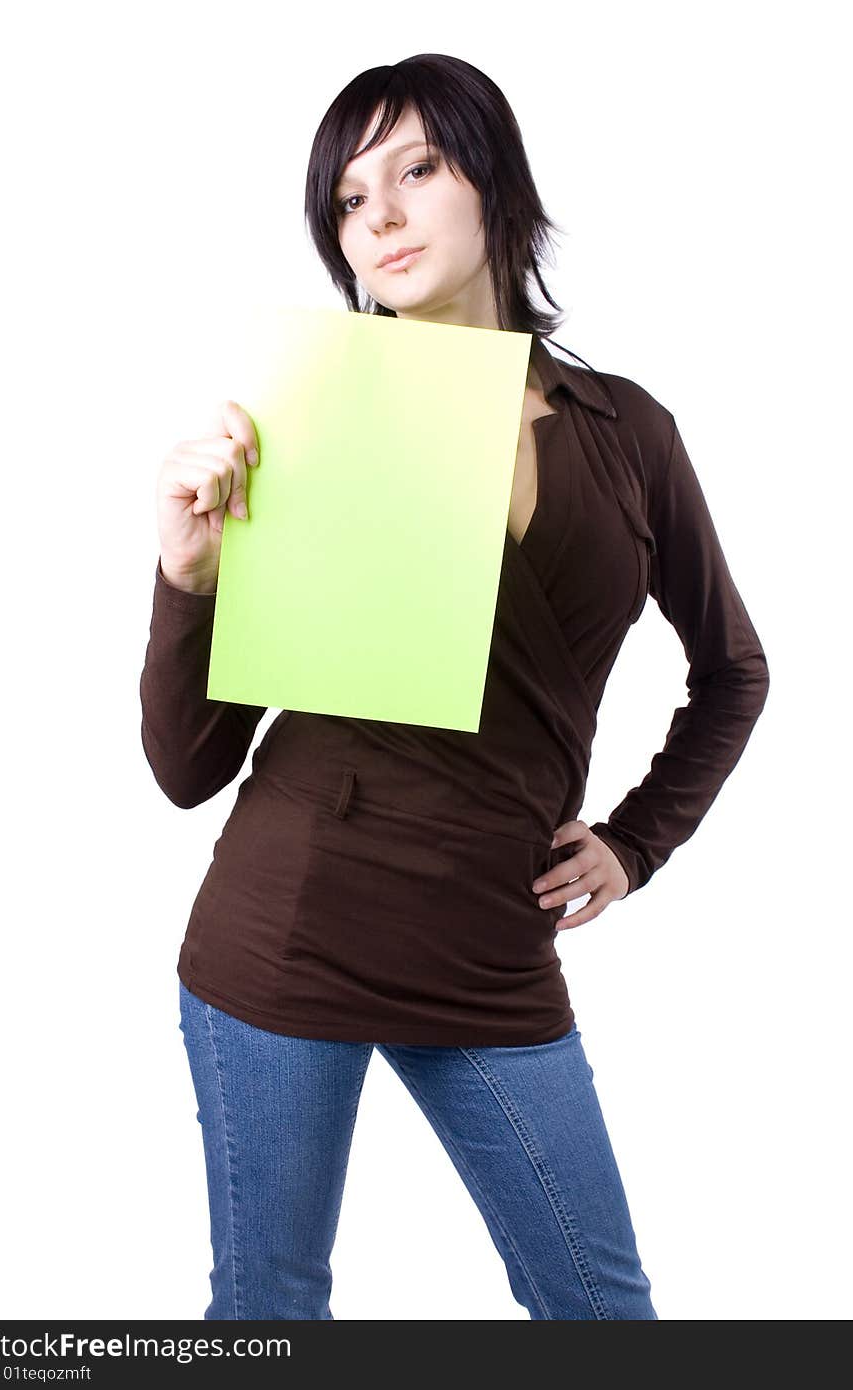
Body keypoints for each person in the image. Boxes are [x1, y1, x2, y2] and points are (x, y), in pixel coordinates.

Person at [139, 54, 770, 1320]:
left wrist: (635, 845)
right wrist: (186, 574)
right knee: (269, 1315)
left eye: (416, 169)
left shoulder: (623, 430)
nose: (376, 215)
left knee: (601, 1311)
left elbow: (733, 671)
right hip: (286, 929)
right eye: (346, 197)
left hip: (489, 944)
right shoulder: (300, 420)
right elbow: (187, 769)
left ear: (496, 184)